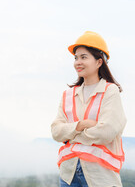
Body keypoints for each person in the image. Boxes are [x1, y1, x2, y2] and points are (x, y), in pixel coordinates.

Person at [51, 31, 126, 187]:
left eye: (84, 57)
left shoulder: (110, 91)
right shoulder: (68, 94)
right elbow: (56, 132)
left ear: (99, 62)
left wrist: (70, 136)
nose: (78, 62)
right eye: (76, 57)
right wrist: (82, 125)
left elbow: (107, 132)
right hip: (68, 176)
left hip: (100, 177)